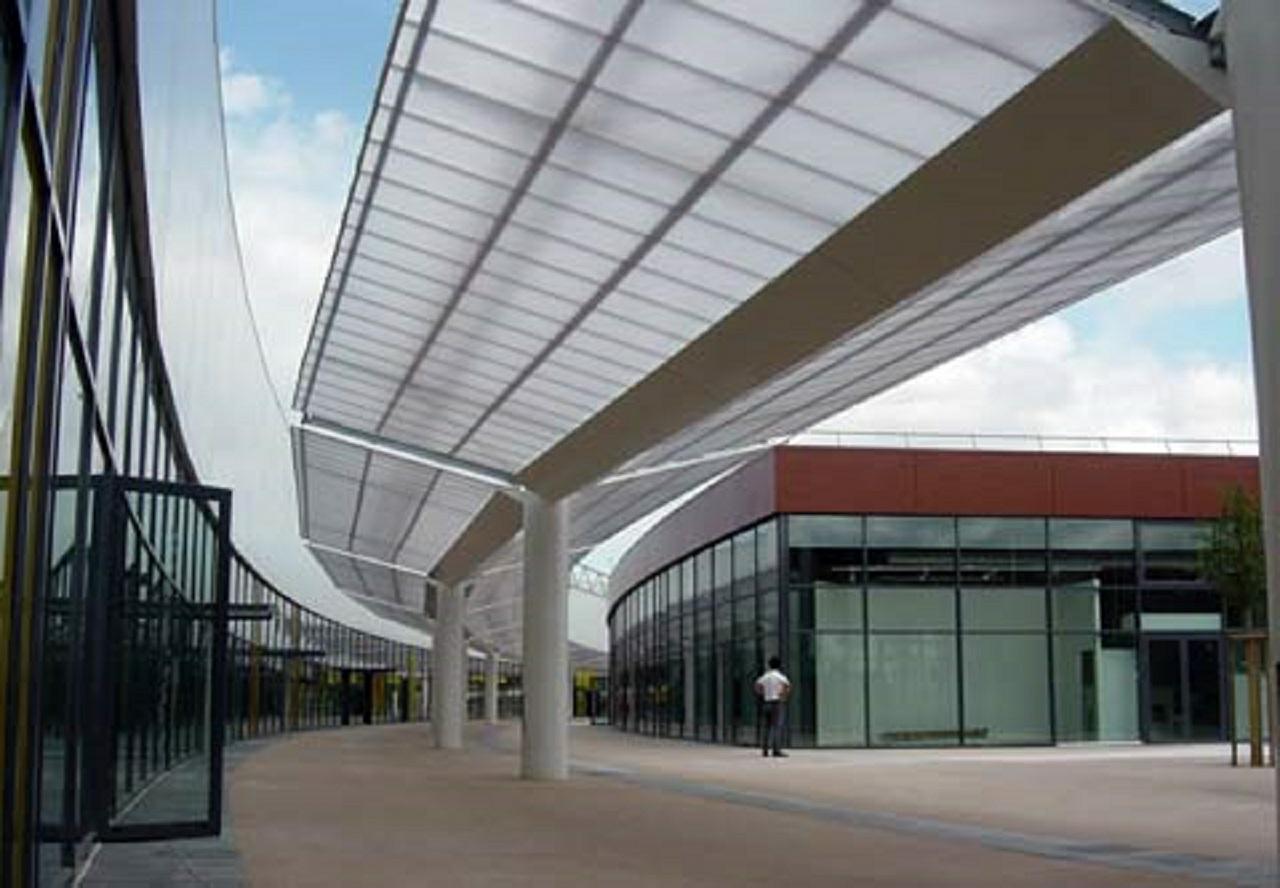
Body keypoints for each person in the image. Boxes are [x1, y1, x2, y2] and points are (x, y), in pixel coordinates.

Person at [754, 656, 791, 758]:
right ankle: (776, 750)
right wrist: (783, 695)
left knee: (766, 727)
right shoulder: (780, 676)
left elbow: (757, 685)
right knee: (777, 726)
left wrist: (762, 693)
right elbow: (787, 686)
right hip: (777, 702)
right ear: (779, 665)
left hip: (767, 702)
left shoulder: (765, 676)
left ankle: (765, 749)